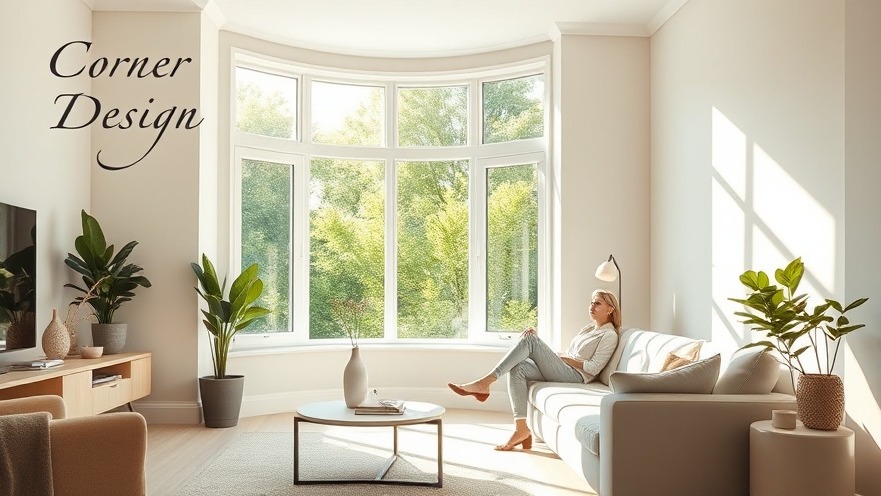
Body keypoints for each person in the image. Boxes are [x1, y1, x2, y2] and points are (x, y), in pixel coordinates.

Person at [448, 289, 621, 451]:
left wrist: (564, 358)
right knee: (519, 367)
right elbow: (568, 354)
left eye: (597, 303)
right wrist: (555, 355)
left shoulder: (609, 335)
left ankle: (484, 383)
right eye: (591, 302)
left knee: (530, 339)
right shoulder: (588, 329)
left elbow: (594, 368)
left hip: (577, 376)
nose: (592, 306)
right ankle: (521, 429)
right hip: (565, 368)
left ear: (610, 309)